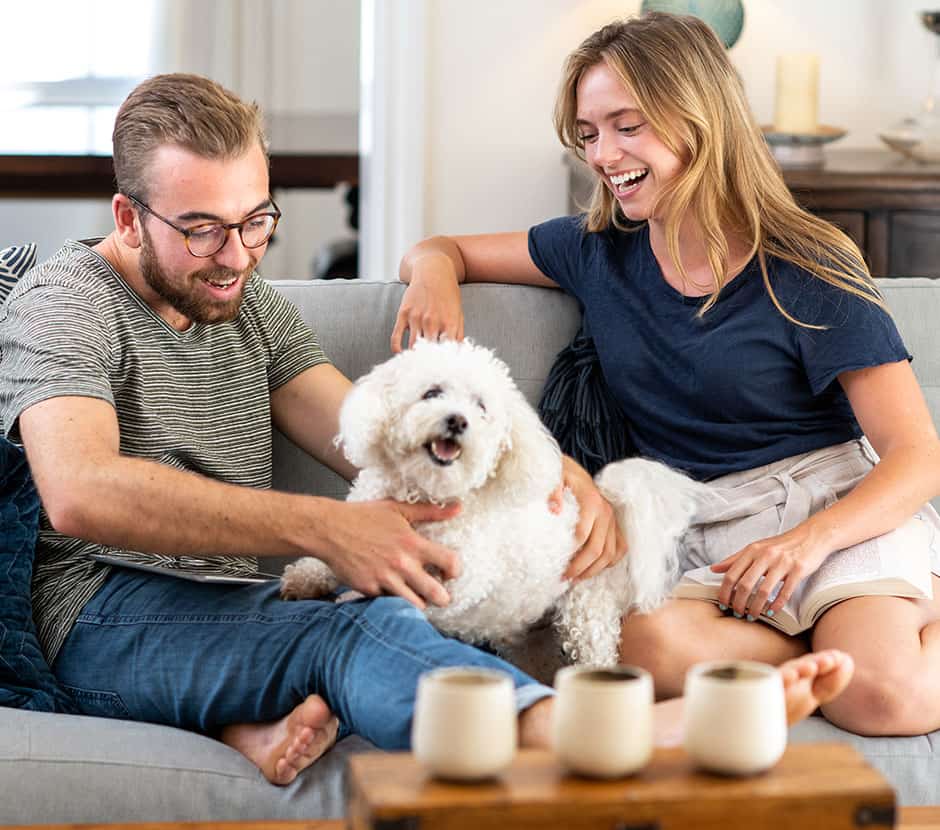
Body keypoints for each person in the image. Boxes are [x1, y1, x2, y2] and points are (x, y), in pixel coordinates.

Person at [0, 71, 854, 786]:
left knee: (389, 609)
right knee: (356, 627)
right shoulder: (68, 304)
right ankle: (599, 732)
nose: (236, 256)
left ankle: (251, 726)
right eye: (201, 230)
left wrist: (564, 474)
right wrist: (329, 527)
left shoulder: (244, 303)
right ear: (125, 218)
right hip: (94, 615)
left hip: (218, 605)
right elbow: (81, 491)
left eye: (256, 222)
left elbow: (369, 430)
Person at [394, 12, 940, 738]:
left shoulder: (807, 264)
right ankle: (823, 645)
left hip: (825, 513)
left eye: (627, 125)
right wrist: (431, 271)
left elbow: (915, 453)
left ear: (698, 119)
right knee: (633, 649)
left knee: (881, 698)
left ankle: (870, 625)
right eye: (588, 133)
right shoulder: (594, 250)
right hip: (701, 529)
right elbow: (442, 248)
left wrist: (804, 546)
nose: (603, 154)